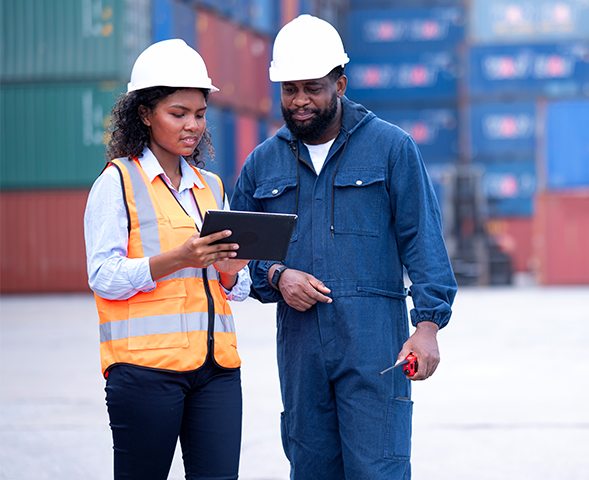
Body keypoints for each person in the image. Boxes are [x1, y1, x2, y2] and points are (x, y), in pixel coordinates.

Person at [230, 14, 457, 480]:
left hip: (375, 347)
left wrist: (429, 324)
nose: (299, 101)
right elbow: (236, 259)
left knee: (378, 471)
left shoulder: (391, 149)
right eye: (289, 89)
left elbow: (424, 241)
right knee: (310, 471)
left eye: (312, 88)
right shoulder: (261, 163)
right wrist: (276, 275)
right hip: (299, 352)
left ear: (340, 83)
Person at [84, 39, 250, 480]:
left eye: (199, 114)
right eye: (178, 114)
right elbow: (103, 277)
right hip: (144, 371)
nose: (192, 125)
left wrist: (231, 274)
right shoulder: (117, 183)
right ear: (144, 114)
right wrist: (176, 259)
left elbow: (240, 286)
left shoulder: (211, 186)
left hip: (216, 370)